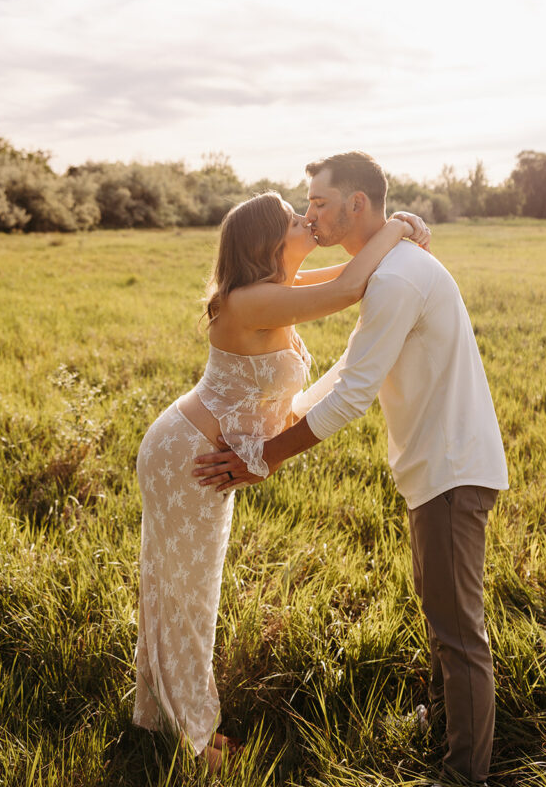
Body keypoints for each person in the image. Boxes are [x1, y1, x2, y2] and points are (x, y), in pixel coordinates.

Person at [193, 152, 509, 787]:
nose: (309, 213)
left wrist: (264, 457)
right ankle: (448, 724)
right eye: (307, 204)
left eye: (318, 202)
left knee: (458, 630)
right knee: (440, 609)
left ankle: (463, 773)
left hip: (451, 468)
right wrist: (277, 430)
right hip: (436, 467)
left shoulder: (396, 278)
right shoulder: (389, 269)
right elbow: (346, 372)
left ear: (356, 205)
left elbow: (353, 395)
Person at [132, 189, 429, 773]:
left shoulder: (276, 290)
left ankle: (166, 718)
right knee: (185, 597)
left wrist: (402, 228)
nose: (309, 220)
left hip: (198, 450)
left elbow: (351, 274)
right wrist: (394, 229)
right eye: (297, 218)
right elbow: (347, 290)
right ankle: (194, 741)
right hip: (188, 456)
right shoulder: (249, 300)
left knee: (181, 592)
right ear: (270, 242)